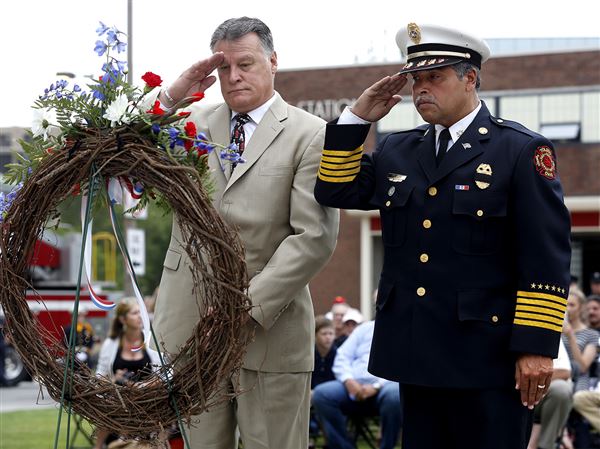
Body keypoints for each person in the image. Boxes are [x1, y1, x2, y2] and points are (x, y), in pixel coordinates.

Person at [314, 23, 571, 449]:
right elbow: (336, 188)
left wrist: (537, 347)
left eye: (435, 77)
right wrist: (357, 118)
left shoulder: (520, 150)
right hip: (418, 355)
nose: (421, 89)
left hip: (488, 359)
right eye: (416, 79)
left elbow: (545, 256)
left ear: (470, 78)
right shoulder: (400, 148)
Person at [151, 17, 339, 449]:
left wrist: (243, 308)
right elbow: (120, 139)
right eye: (223, 68)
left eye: (246, 64)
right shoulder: (189, 122)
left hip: (270, 331)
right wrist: (176, 91)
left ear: (273, 62)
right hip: (190, 329)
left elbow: (314, 237)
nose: (233, 77)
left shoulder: (311, 134)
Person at [312, 319, 402, 449]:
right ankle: (344, 446)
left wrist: (376, 386)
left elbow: (400, 367)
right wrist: (348, 380)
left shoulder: (402, 330)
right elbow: (342, 356)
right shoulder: (364, 329)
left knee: (395, 395)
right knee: (322, 394)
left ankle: (386, 446)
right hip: (353, 386)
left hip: (385, 387)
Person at [94, 297, 161, 449]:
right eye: (134, 313)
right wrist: (113, 379)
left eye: (140, 312)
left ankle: (146, 442)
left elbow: (165, 373)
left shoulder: (151, 339)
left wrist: (143, 386)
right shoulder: (111, 344)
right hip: (118, 399)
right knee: (110, 406)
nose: (139, 316)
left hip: (149, 398)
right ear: (123, 319)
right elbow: (100, 376)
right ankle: (100, 446)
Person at [527, 339, 573, 449]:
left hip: (539, 396)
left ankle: (546, 446)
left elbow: (565, 371)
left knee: (561, 389)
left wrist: (531, 380)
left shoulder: (548, 331)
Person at [310, 316, 338, 445]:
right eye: (324, 334)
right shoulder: (309, 354)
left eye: (331, 333)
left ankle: (330, 441)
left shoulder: (337, 354)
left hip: (329, 395)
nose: (328, 337)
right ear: (315, 335)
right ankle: (309, 438)